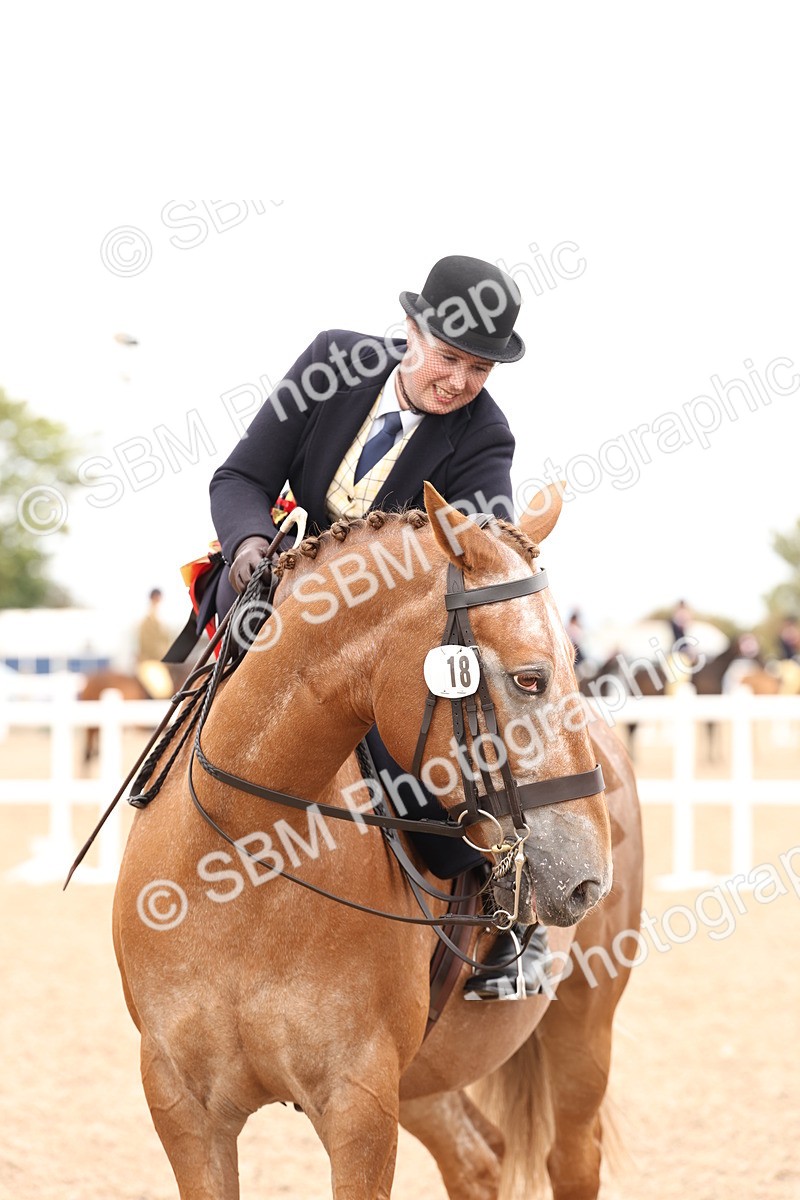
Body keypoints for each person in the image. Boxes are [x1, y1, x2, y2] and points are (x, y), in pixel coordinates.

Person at [209, 255, 547, 1000]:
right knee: (207, 691)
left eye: (480, 368)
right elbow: (240, 480)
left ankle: (514, 916)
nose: (459, 381)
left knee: (462, 745)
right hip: (280, 586)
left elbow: (484, 541)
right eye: (450, 357)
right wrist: (249, 550)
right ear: (411, 333)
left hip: (393, 624)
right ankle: (157, 805)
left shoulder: (485, 438)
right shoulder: (334, 360)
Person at [136, 588, 174, 699]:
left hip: (161, 661)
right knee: (163, 691)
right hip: (151, 661)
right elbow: (146, 644)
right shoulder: (147, 620)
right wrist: (163, 653)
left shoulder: (159, 618)